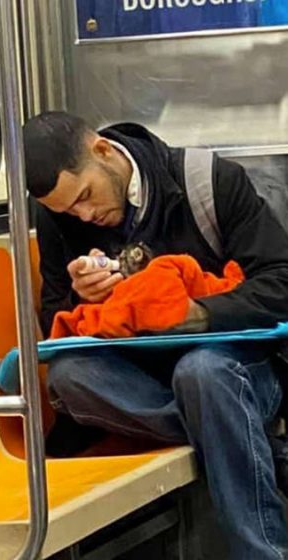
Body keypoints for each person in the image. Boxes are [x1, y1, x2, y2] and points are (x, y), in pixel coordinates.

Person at [23, 111, 288, 559]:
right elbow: (58, 321)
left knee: (202, 373)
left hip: (234, 364)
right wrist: (81, 297)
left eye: (86, 195)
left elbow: (280, 280)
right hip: (137, 382)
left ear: (102, 151)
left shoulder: (209, 182)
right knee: (69, 378)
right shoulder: (58, 219)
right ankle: (236, 432)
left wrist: (201, 313)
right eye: (69, 210)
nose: (84, 214)